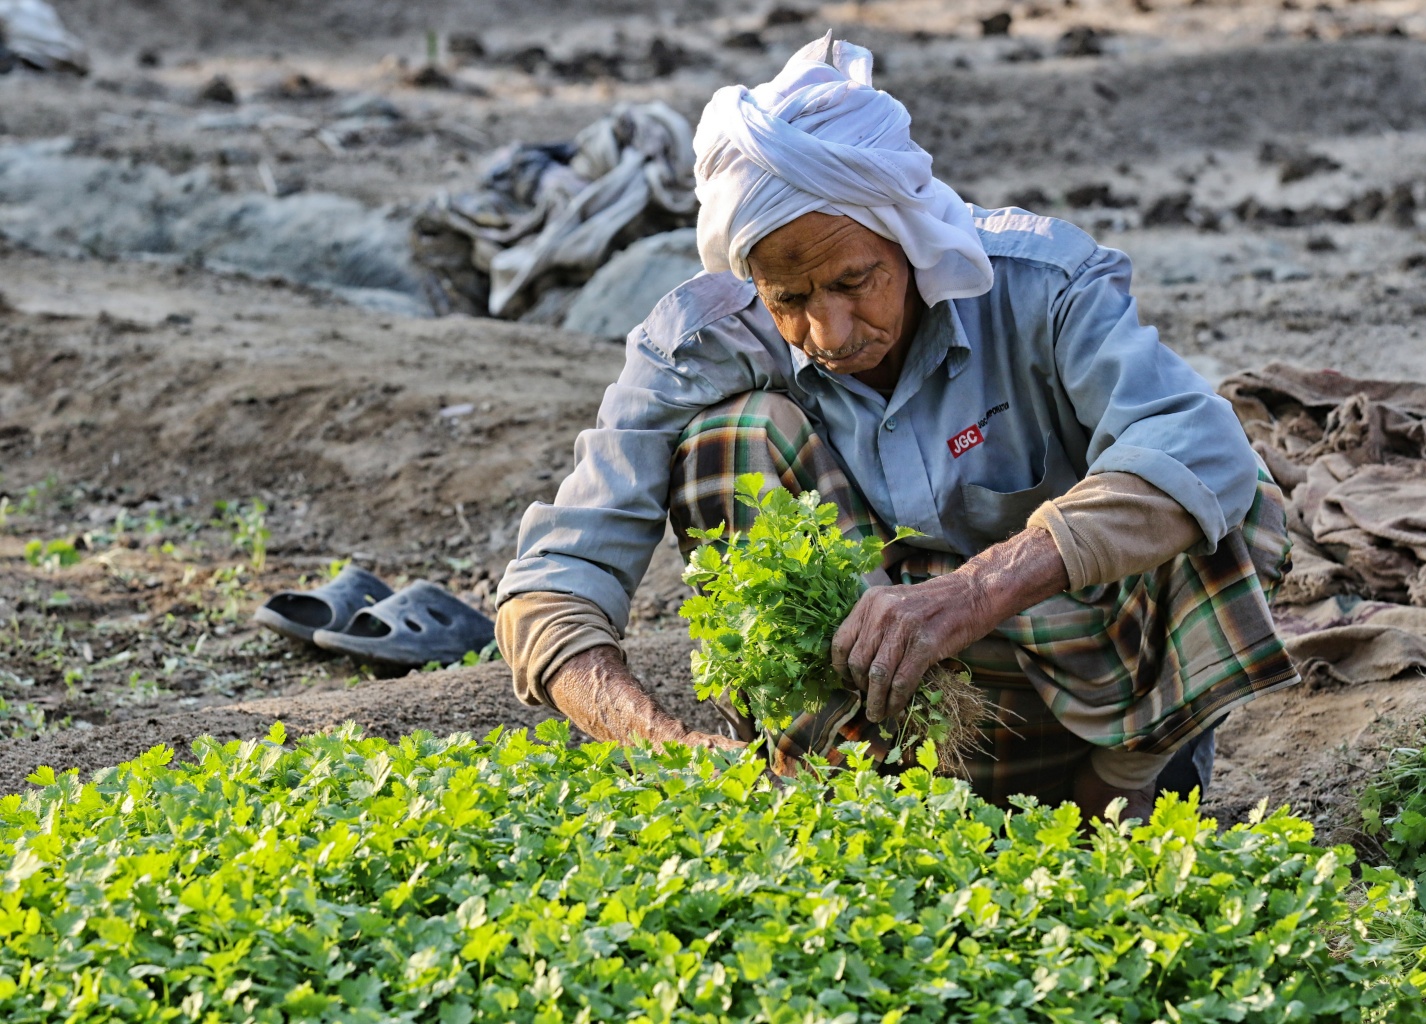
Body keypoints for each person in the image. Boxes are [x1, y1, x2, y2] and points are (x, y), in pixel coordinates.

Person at [495, 34, 1299, 820]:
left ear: (909, 237)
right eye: (791, 299)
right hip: (886, 728)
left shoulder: (1040, 286)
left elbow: (1203, 450)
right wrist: (658, 742)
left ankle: (1120, 797)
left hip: (1093, 724)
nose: (832, 332)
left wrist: (975, 591)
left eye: (855, 281)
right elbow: (549, 588)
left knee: (1210, 478)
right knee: (729, 444)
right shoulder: (698, 346)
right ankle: (843, 804)